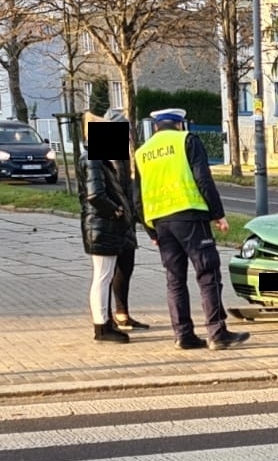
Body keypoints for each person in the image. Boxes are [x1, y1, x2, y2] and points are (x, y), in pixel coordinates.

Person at [133, 108, 249, 350]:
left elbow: (137, 198)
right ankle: (217, 332)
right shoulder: (187, 140)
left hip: (161, 223)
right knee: (207, 273)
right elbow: (203, 178)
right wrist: (218, 214)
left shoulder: (142, 152)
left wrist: (150, 231)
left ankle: (183, 335)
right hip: (190, 217)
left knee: (174, 280)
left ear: (155, 127)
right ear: (180, 125)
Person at [77, 116, 140, 344]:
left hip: (104, 225)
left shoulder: (100, 158)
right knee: (103, 277)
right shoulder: (93, 159)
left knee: (105, 276)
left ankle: (106, 322)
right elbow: (95, 195)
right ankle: (101, 326)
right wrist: (116, 211)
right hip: (102, 225)